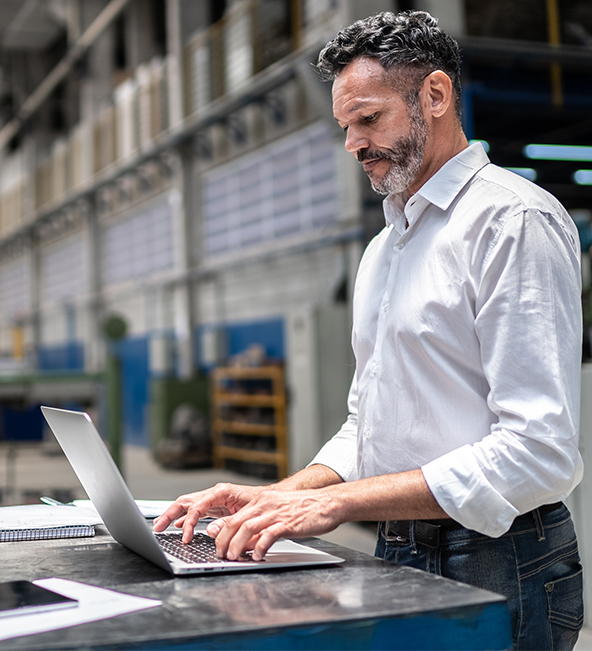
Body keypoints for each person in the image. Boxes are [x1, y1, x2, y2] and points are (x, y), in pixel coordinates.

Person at [154, 11, 584, 649]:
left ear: (434, 96)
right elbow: (370, 426)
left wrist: (338, 506)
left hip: (500, 558)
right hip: (399, 541)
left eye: (369, 119)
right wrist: (277, 496)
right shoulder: (387, 247)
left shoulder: (511, 222)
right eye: (345, 127)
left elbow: (537, 452)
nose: (353, 143)